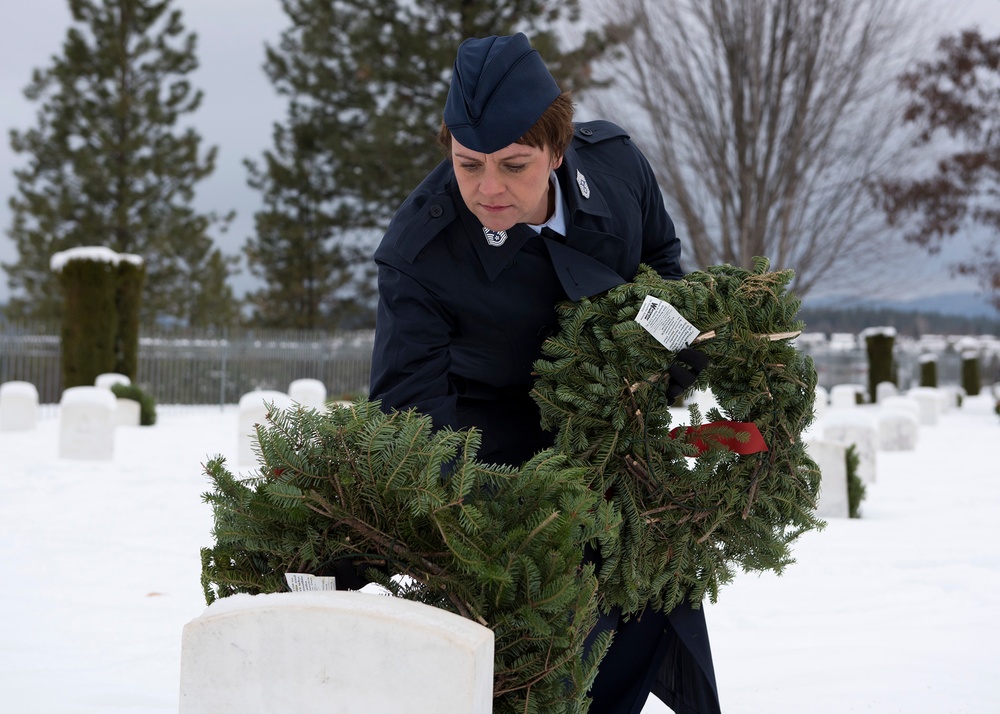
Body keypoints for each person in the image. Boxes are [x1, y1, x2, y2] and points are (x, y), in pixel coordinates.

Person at [369, 32, 720, 714]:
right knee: (544, 666)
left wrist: (671, 355)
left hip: (616, 441)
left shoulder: (615, 167)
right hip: (497, 462)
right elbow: (408, 413)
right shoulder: (419, 253)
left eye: (513, 165)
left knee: (641, 615)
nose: (488, 189)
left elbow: (660, 263)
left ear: (558, 153)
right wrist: (498, 523)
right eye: (468, 164)